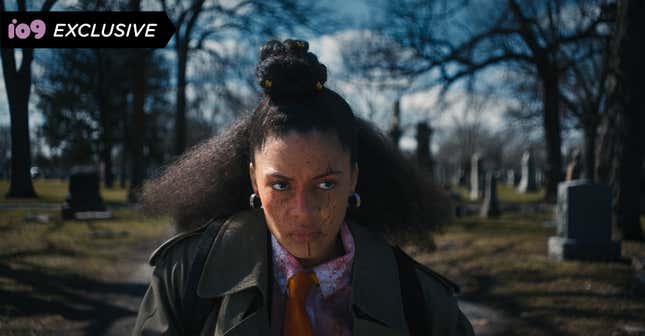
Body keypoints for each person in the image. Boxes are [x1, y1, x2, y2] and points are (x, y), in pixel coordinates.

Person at [132, 38, 474, 336]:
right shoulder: (184, 279)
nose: (304, 211)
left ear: (353, 178)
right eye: (280, 185)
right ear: (254, 179)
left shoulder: (421, 301)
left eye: (326, 183)